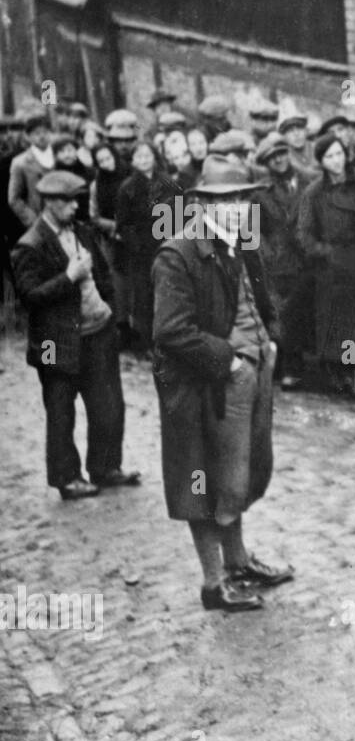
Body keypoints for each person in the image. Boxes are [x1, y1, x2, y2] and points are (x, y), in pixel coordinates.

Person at [152, 156, 293, 612]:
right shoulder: (179, 254)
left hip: (252, 371)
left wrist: (270, 339)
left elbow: (263, 298)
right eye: (221, 200)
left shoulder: (242, 243)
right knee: (204, 478)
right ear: (202, 204)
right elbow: (171, 331)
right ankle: (214, 583)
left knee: (242, 470)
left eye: (239, 198)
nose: (233, 208)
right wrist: (226, 359)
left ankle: (238, 560)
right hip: (204, 386)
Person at [10, 171, 139, 500]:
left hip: (97, 332)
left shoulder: (82, 231)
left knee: (108, 406)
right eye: (67, 201)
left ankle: (106, 468)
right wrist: (68, 277)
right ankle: (67, 478)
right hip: (54, 343)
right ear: (49, 203)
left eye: (76, 200)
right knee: (60, 409)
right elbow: (29, 297)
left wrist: (109, 309)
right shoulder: (30, 245)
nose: (74, 206)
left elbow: (103, 274)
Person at [297, 133, 355, 398]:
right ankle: (342, 371)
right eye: (329, 156)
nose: (336, 161)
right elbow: (305, 233)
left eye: (339, 154)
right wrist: (325, 252)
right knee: (340, 325)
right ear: (321, 161)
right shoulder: (314, 192)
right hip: (332, 269)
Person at [251, 133, 311, 390]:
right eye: (272, 158)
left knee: (298, 312)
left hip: (305, 259)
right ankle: (287, 368)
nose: (279, 161)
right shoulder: (260, 193)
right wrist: (268, 253)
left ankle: (299, 365)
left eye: (282, 154)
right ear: (266, 163)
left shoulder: (308, 182)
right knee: (279, 313)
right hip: (276, 264)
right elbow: (252, 231)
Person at [115, 142, 181, 353]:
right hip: (141, 251)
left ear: (154, 157)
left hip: (167, 244)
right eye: (139, 156)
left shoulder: (168, 183)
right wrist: (137, 245)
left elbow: (179, 214)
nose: (143, 160)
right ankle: (149, 342)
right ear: (133, 161)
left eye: (147, 155)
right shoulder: (127, 187)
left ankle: (170, 336)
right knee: (144, 296)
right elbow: (123, 224)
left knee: (168, 292)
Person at [7, 113, 55, 230]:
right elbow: (14, 199)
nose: (42, 136)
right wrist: (33, 221)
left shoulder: (60, 154)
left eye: (45, 132)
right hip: (41, 219)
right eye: (37, 133)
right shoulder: (20, 162)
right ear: (28, 137)